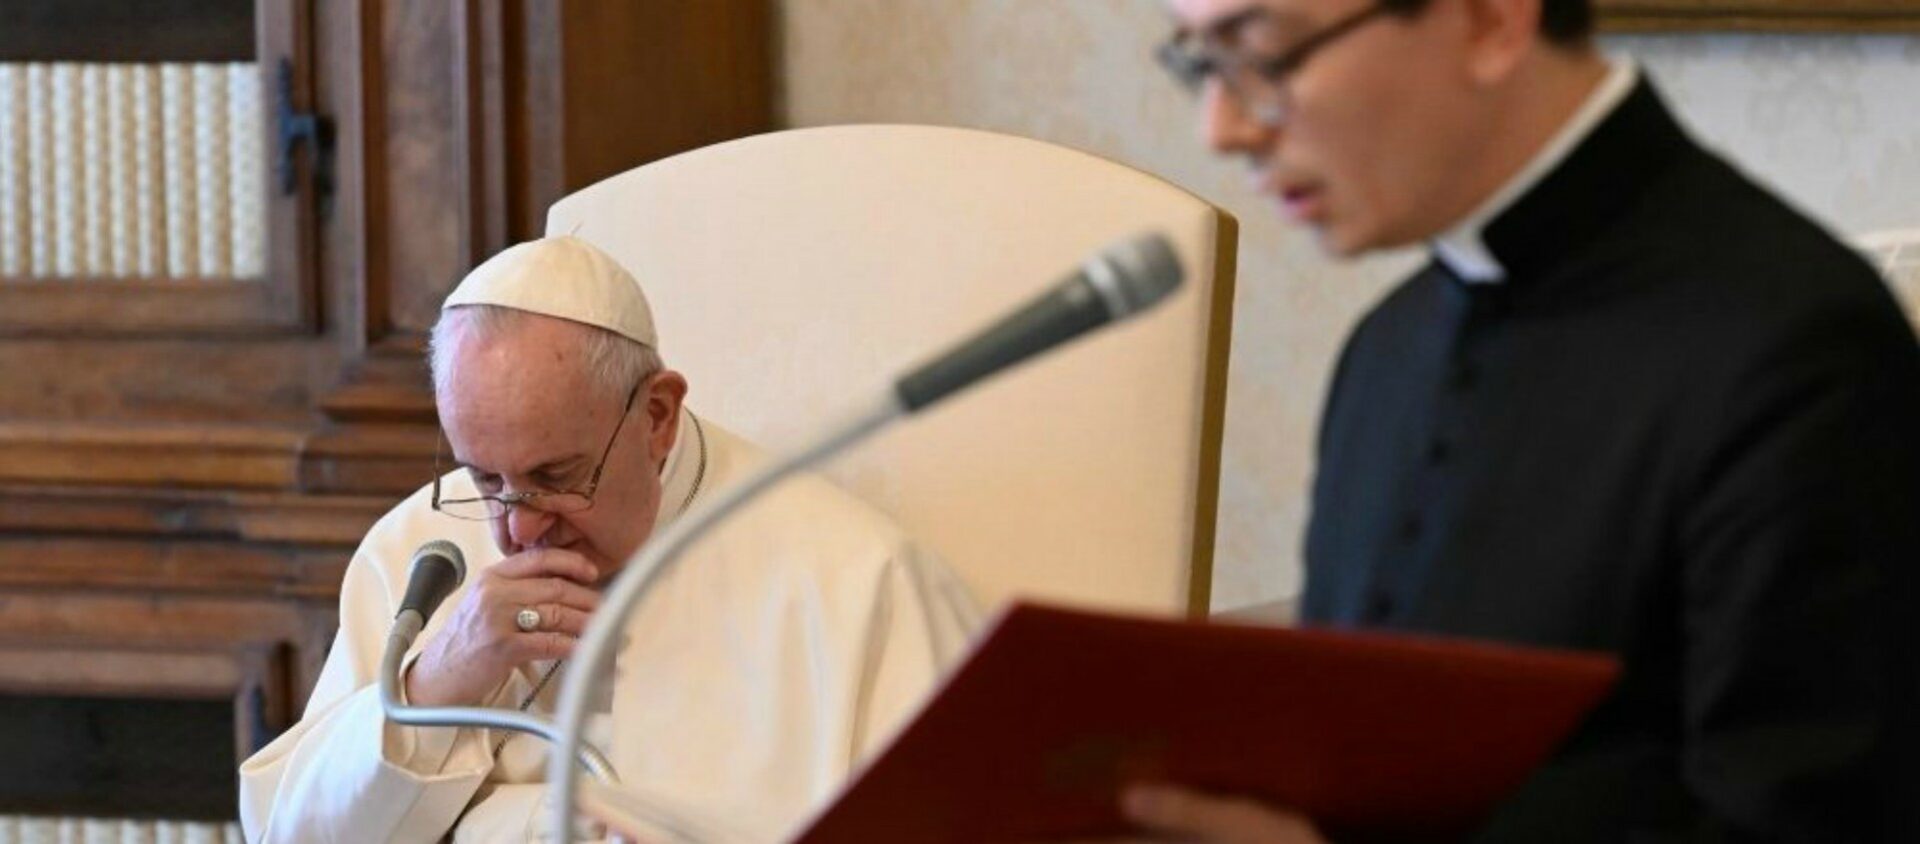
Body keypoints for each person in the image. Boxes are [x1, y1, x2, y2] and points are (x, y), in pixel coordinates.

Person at [1120, 0, 1920, 840]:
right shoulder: (1387, 345)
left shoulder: (1799, 346)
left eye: (1264, 53)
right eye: (1200, 62)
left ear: (1489, 23)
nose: (1223, 128)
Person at [238, 236, 980, 842]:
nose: (517, 527)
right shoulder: (422, 551)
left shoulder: (855, 580)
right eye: (484, 478)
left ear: (656, 415)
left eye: (556, 474)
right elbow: (294, 835)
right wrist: (439, 677)